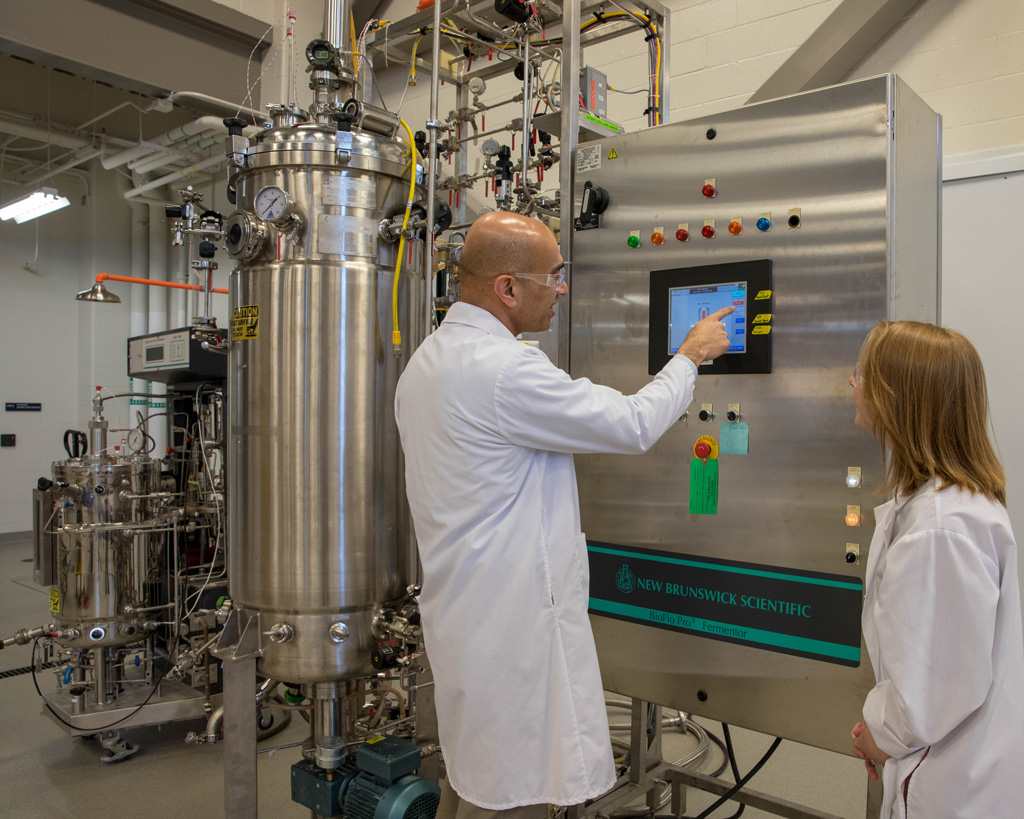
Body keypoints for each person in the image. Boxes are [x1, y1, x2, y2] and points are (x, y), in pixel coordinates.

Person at [395, 212, 733, 819]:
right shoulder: (505, 371)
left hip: (468, 616)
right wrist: (691, 355)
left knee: (474, 779)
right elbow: (632, 424)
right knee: (512, 791)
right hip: (513, 627)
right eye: (554, 275)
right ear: (507, 288)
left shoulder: (428, 361)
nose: (562, 288)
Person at [848, 320, 1024, 819]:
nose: (852, 384)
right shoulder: (945, 506)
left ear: (895, 397)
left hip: (949, 785)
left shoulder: (940, 528)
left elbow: (930, 696)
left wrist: (877, 734)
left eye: (862, 374)